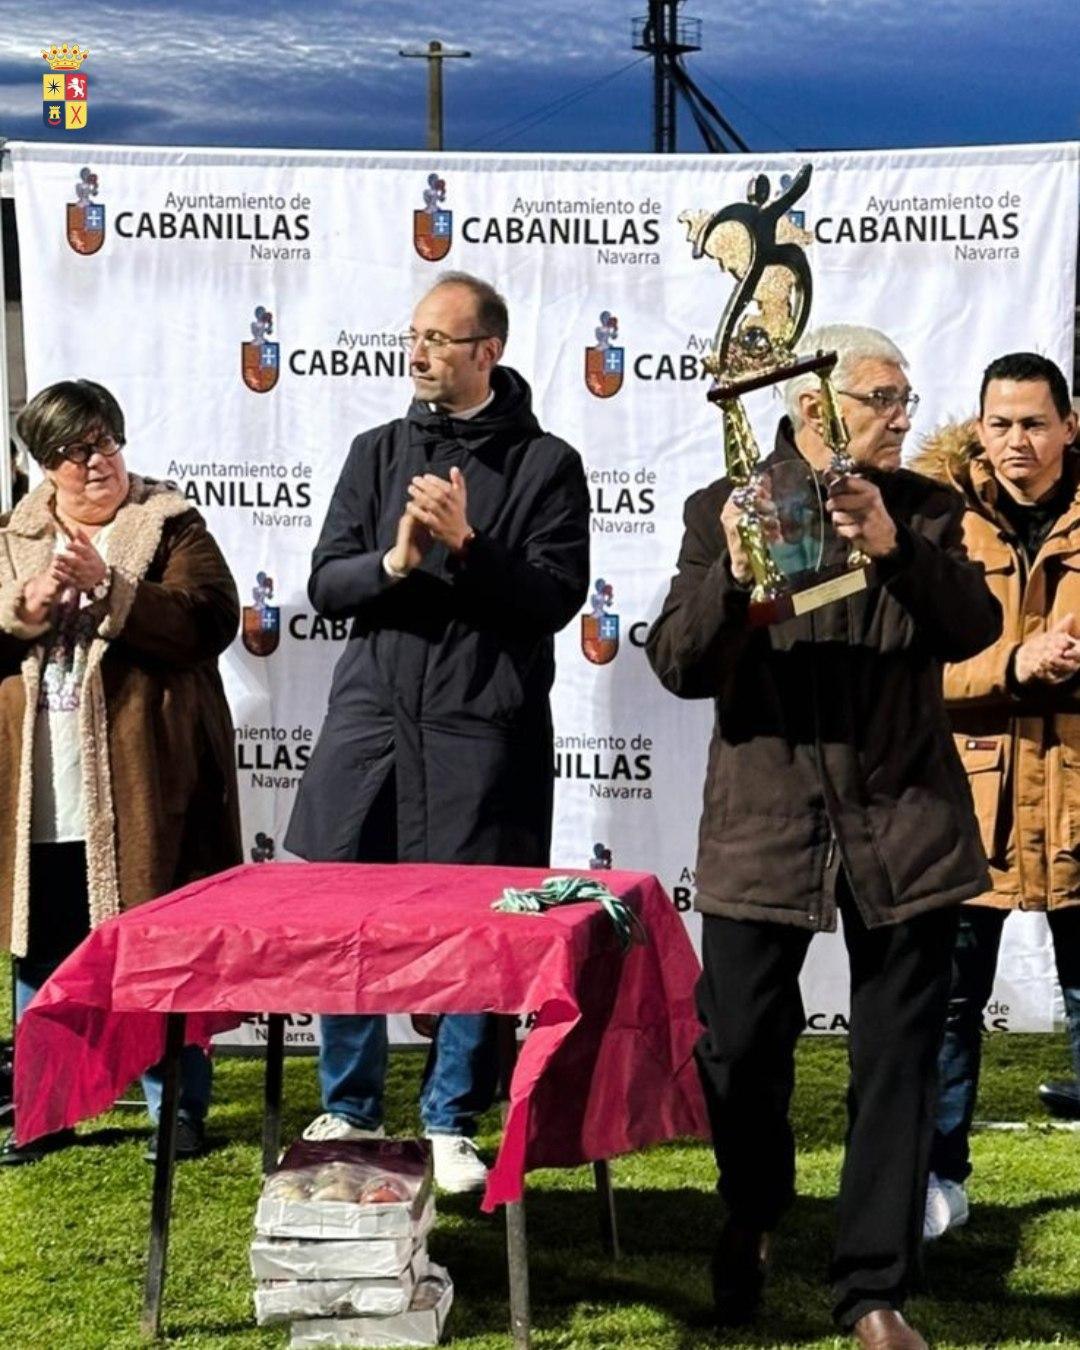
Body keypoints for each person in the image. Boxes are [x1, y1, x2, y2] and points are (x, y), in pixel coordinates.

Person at [646, 324, 1002, 1350]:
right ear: (815, 412)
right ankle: (754, 1208)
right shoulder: (722, 509)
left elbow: (972, 629)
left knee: (897, 1059)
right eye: (882, 397)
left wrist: (892, 550)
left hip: (906, 823)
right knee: (740, 1048)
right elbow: (677, 660)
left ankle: (872, 1290)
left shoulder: (930, 512)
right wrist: (741, 565)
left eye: (904, 396)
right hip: (767, 826)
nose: (904, 413)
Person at [285, 273, 590, 1192]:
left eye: (438, 339)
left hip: (478, 729)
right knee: (348, 916)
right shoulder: (375, 451)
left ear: (486, 351)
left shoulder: (547, 465)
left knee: (472, 923)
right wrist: (393, 560)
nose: (418, 352)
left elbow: (553, 599)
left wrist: (469, 546)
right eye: (412, 335)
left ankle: (451, 1115)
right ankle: (350, 1103)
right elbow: (326, 585)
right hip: (373, 723)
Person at [0, 379, 241, 1165]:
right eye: (75, 451)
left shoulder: (169, 524)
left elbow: (210, 618)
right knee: (44, 952)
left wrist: (110, 589)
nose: (97, 461)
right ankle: (45, 1109)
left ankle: (176, 1110)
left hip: (147, 785)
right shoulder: (11, 539)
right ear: (43, 466)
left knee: (159, 947)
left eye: (106, 441)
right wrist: (20, 614)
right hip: (43, 788)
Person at [914, 352, 1080, 1238]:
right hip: (970, 805)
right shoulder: (938, 519)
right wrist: (1014, 665)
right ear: (980, 427)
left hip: (1078, 801)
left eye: (1035, 423)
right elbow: (916, 672)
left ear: (1069, 426)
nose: (1018, 441)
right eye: (1001, 423)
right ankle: (941, 1176)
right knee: (948, 1004)